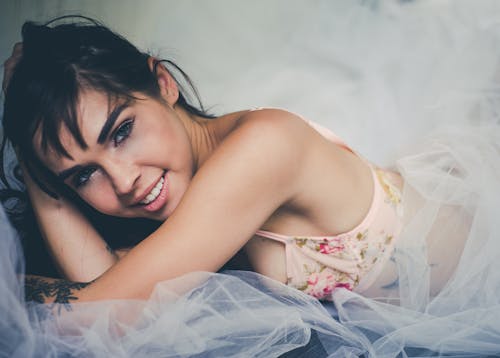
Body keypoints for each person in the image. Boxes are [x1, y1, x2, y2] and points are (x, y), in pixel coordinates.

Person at [2, 13, 500, 357]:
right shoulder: (184, 195)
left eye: (122, 132)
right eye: (83, 174)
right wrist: (35, 163)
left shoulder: (262, 150)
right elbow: (106, 293)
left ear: (163, 83)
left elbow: (104, 317)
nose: (124, 180)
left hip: (479, 292)